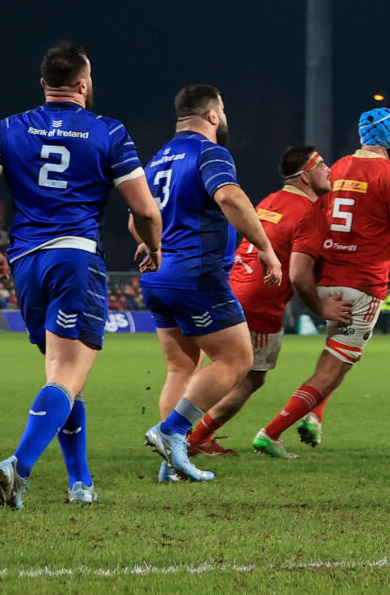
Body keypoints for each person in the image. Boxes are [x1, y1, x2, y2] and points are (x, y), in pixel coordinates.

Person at [0, 42, 162, 508]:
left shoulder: (8, 128)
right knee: (67, 377)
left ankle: (80, 483)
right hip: (75, 259)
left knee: (65, 378)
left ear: (44, 84)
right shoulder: (108, 131)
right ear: (84, 85)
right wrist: (154, 247)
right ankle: (19, 466)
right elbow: (145, 209)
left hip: (27, 264)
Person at [253, 107, 390, 453]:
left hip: (324, 278)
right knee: (332, 369)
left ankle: (314, 417)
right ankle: (270, 433)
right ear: (384, 133)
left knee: (337, 360)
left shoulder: (337, 167)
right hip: (361, 284)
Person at [138, 85, 285, 481]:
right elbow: (231, 198)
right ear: (213, 115)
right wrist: (266, 248)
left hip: (157, 274)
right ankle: (170, 432)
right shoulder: (210, 152)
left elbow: (137, 213)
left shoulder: (157, 160)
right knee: (238, 358)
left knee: (180, 367)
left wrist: (147, 243)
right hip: (195, 273)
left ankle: (172, 465)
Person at [185, 145, 350, 456]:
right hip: (260, 305)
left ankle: (182, 433)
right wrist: (322, 307)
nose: (329, 170)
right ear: (305, 176)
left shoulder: (272, 200)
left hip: (232, 289)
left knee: (220, 369)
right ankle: (194, 438)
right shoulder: (308, 214)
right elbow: (300, 276)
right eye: (323, 164)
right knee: (249, 380)